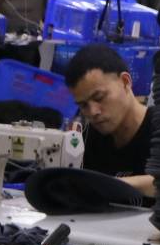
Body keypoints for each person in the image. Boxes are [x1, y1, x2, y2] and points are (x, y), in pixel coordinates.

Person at [62, 44, 155, 198]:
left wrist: (109, 185)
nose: (93, 112)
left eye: (99, 97)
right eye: (83, 105)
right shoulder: (89, 138)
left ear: (125, 82)